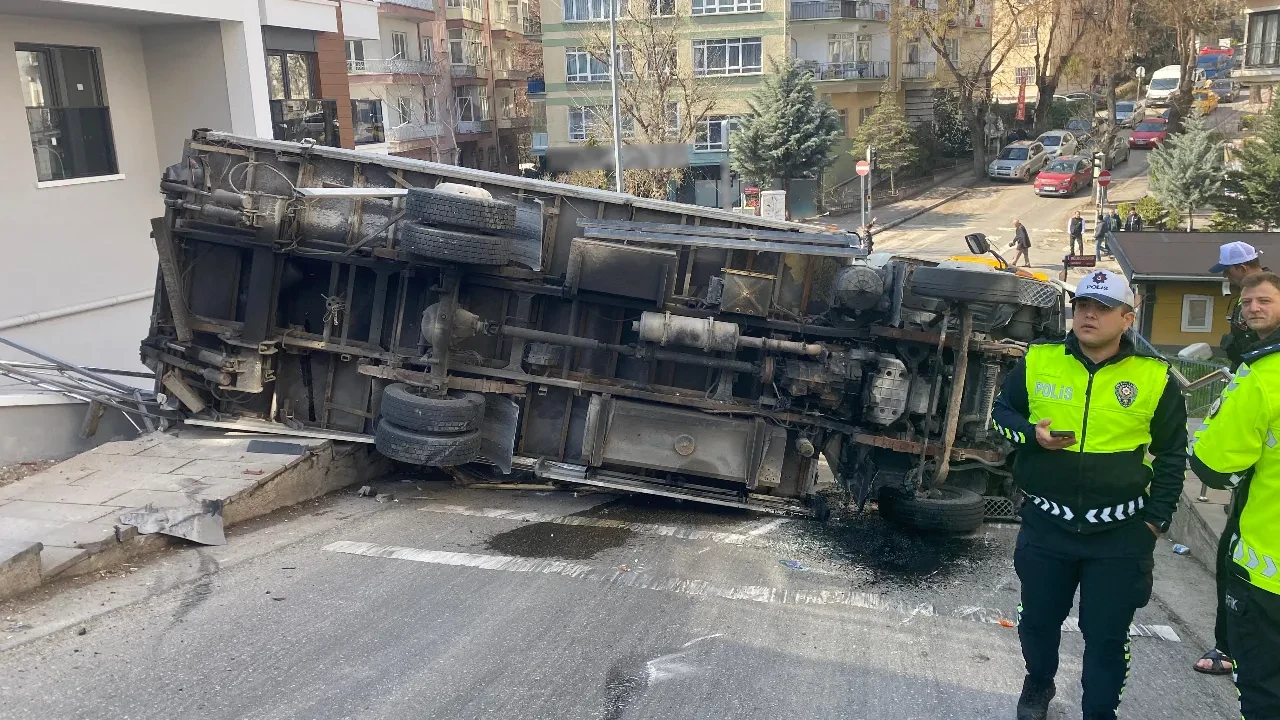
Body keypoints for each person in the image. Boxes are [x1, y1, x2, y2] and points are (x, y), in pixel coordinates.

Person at [992, 269, 1187, 720]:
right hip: (1047, 525)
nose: (1089, 316)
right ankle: (1038, 681)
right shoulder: (1039, 360)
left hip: (1120, 535)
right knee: (1037, 623)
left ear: (1127, 319)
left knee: (1107, 636)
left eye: (1102, 309)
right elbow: (1000, 415)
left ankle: (1099, 712)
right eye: (1082, 306)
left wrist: (1155, 521)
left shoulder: (1156, 378)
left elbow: (1173, 454)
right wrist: (1028, 434)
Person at [1189, 271, 1280, 718]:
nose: (1254, 308)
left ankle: (1227, 648)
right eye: (1247, 303)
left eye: (1264, 300)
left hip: (1268, 566)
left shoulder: (1264, 371)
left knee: (1265, 693)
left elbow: (1213, 465)